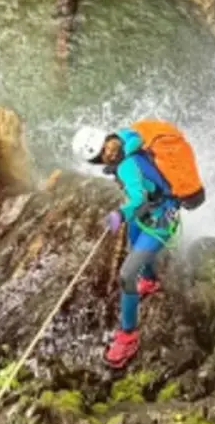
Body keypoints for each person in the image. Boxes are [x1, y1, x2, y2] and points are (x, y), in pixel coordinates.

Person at [73, 124, 182, 369]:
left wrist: (120, 215)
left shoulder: (125, 166)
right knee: (134, 242)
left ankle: (128, 335)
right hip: (155, 211)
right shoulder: (126, 140)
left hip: (160, 219)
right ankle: (150, 281)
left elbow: (139, 201)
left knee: (127, 274)